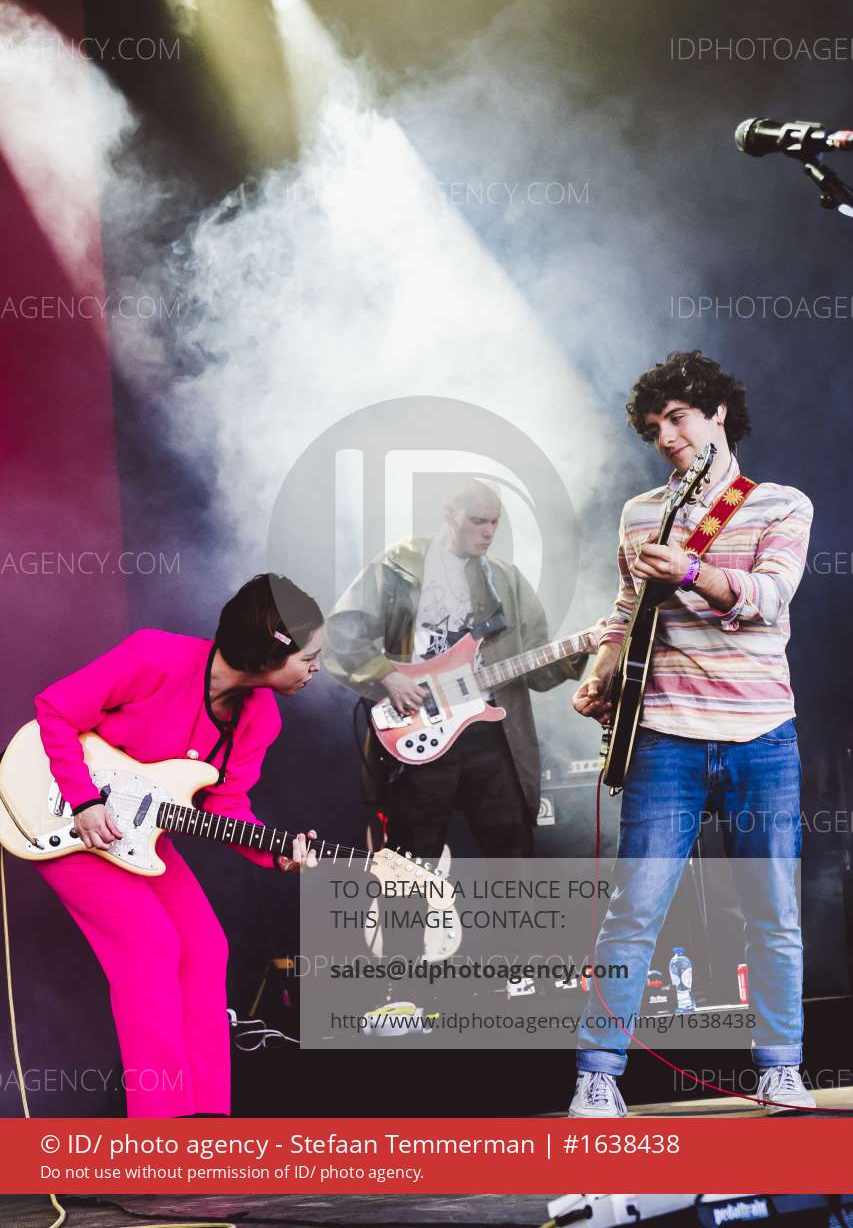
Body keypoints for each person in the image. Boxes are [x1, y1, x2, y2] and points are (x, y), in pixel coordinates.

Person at [570, 350, 815, 1116]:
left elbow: (769, 597)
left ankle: (780, 1069)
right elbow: (624, 613)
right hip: (664, 736)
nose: (665, 437)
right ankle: (596, 1075)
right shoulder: (639, 513)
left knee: (771, 913)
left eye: (677, 418)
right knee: (633, 911)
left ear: (717, 414)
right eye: (653, 427)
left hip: (760, 736)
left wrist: (690, 573)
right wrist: (601, 670)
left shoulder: (779, 505)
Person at [32, 573, 322, 1118]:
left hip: (140, 837)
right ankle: (160, 1128)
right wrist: (84, 799)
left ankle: (205, 1123)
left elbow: (226, 806)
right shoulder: (156, 657)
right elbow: (56, 710)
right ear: (269, 653)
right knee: (150, 946)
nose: (316, 669)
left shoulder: (260, 717)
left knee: (207, 948)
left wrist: (278, 852)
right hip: (68, 821)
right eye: (309, 657)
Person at [324, 478, 592, 860]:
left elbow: (537, 668)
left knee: (512, 857)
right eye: (478, 521)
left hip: (491, 734)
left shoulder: (505, 580)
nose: (488, 532)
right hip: (419, 724)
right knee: (411, 863)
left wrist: (579, 650)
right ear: (449, 515)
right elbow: (342, 629)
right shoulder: (401, 564)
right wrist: (387, 674)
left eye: (495, 522)